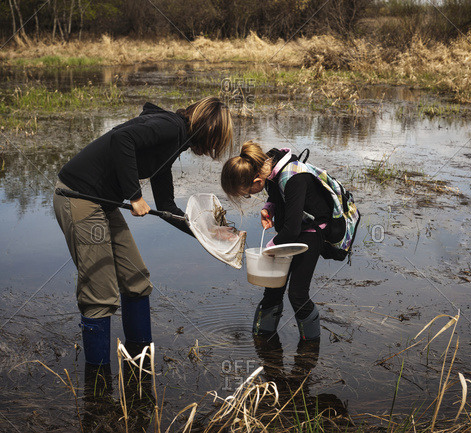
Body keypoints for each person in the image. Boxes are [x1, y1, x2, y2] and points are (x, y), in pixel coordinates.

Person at [53, 97, 232, 366]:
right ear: (209, 130)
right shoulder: (170, 128)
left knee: (136, 280)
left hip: (103, 201)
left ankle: (139, 364)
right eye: (217, 140)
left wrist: (206, 233)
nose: (213, 148)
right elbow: (121, 138)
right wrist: (135, 196)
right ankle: (98, 388)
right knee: (100, 294)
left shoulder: (172, 143)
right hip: (78, 197)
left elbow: (167, 205)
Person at [221, 141, 335, 341]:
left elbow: (291, 231)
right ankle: (262, 337)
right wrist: (269, 208)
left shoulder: (294, 178)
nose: (249, 196)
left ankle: (310, 347)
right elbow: (277, 195)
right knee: (274, 287)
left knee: (297, 293)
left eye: (247, 194)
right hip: (295, 226)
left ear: (257, 180)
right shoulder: (268, 167)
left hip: (312, 231)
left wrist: (268, 250)